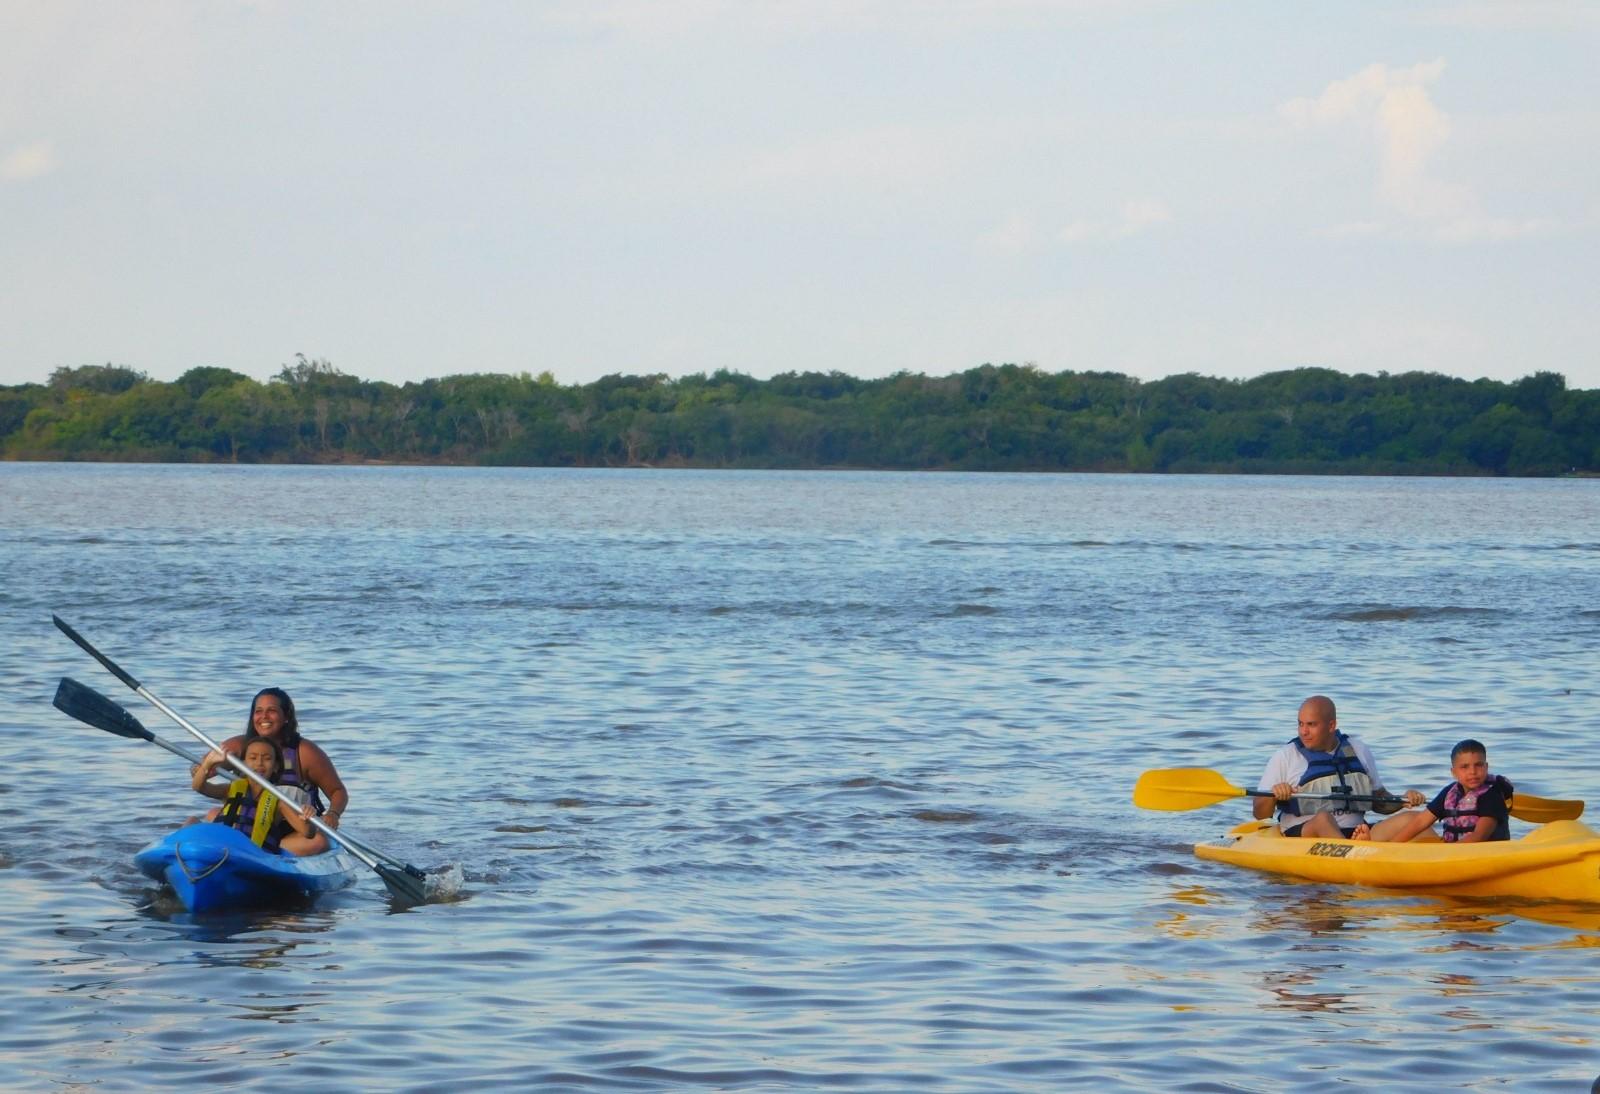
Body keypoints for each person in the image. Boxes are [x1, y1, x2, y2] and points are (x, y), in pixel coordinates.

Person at [203, 687, 348, 856]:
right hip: (246, 827)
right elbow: (201, 768)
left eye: (272, 711)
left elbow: (338, 791)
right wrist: (204, 769)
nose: (264, 717)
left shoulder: (305, 752)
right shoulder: (239, 746)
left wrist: (333, 814)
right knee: (213, 814)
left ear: (286, 717)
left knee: (318, 842)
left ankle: (265, 852)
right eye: (258, 711)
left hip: (290, 831)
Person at [1254, 695, 1424, 838]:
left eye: (1311, 725)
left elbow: (1378, 801)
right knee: (1323, 819)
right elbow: (1260, 814)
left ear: (1331, 726)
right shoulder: (1285, 756)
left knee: (1412, 818)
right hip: (1306, 834)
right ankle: (1355, 855)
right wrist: (1272, 796)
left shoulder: (1358, 749)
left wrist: (1402, 801)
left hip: (1357, 832)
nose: (1303, 731)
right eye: (1300, 724)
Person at [1352, 739, 1512, 843]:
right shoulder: (1450, 793)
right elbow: (1421, 822)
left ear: (1486, 767)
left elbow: (1480, 836)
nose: (1472, 772)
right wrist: (1393, 847)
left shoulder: (1491, 796)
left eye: (1478, 765)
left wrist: (1446, 854)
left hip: (1480, 853)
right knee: (1412, 835)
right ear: (1454, 772)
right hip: (1453, 852)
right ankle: (1373, 845)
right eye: (1464, 767)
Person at [192, 736, 318, 855]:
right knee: (191, 821)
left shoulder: (279, 801)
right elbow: (199, 787)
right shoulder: (231, 789)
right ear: (244, 763)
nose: (260, 763)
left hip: (253, 856)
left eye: (267, 758)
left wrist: (307, 817)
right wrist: (207, 764)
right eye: (253, 758)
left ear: (275, 766)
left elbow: (307, 833)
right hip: (221, 848)